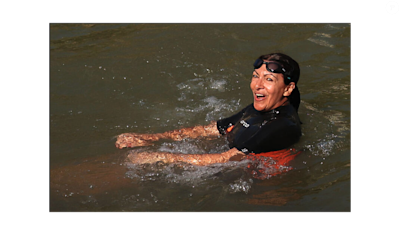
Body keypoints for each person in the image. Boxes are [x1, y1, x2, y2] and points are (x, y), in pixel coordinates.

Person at [115, 53, 302, 166]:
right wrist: (150, 138)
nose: (257, 85)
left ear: (288, 88)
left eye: (268, 79)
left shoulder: (281, 125)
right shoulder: (257, 108)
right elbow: (211, 129)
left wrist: (161, 158)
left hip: (246, 180)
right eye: (255, 76)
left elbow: (227, 159)